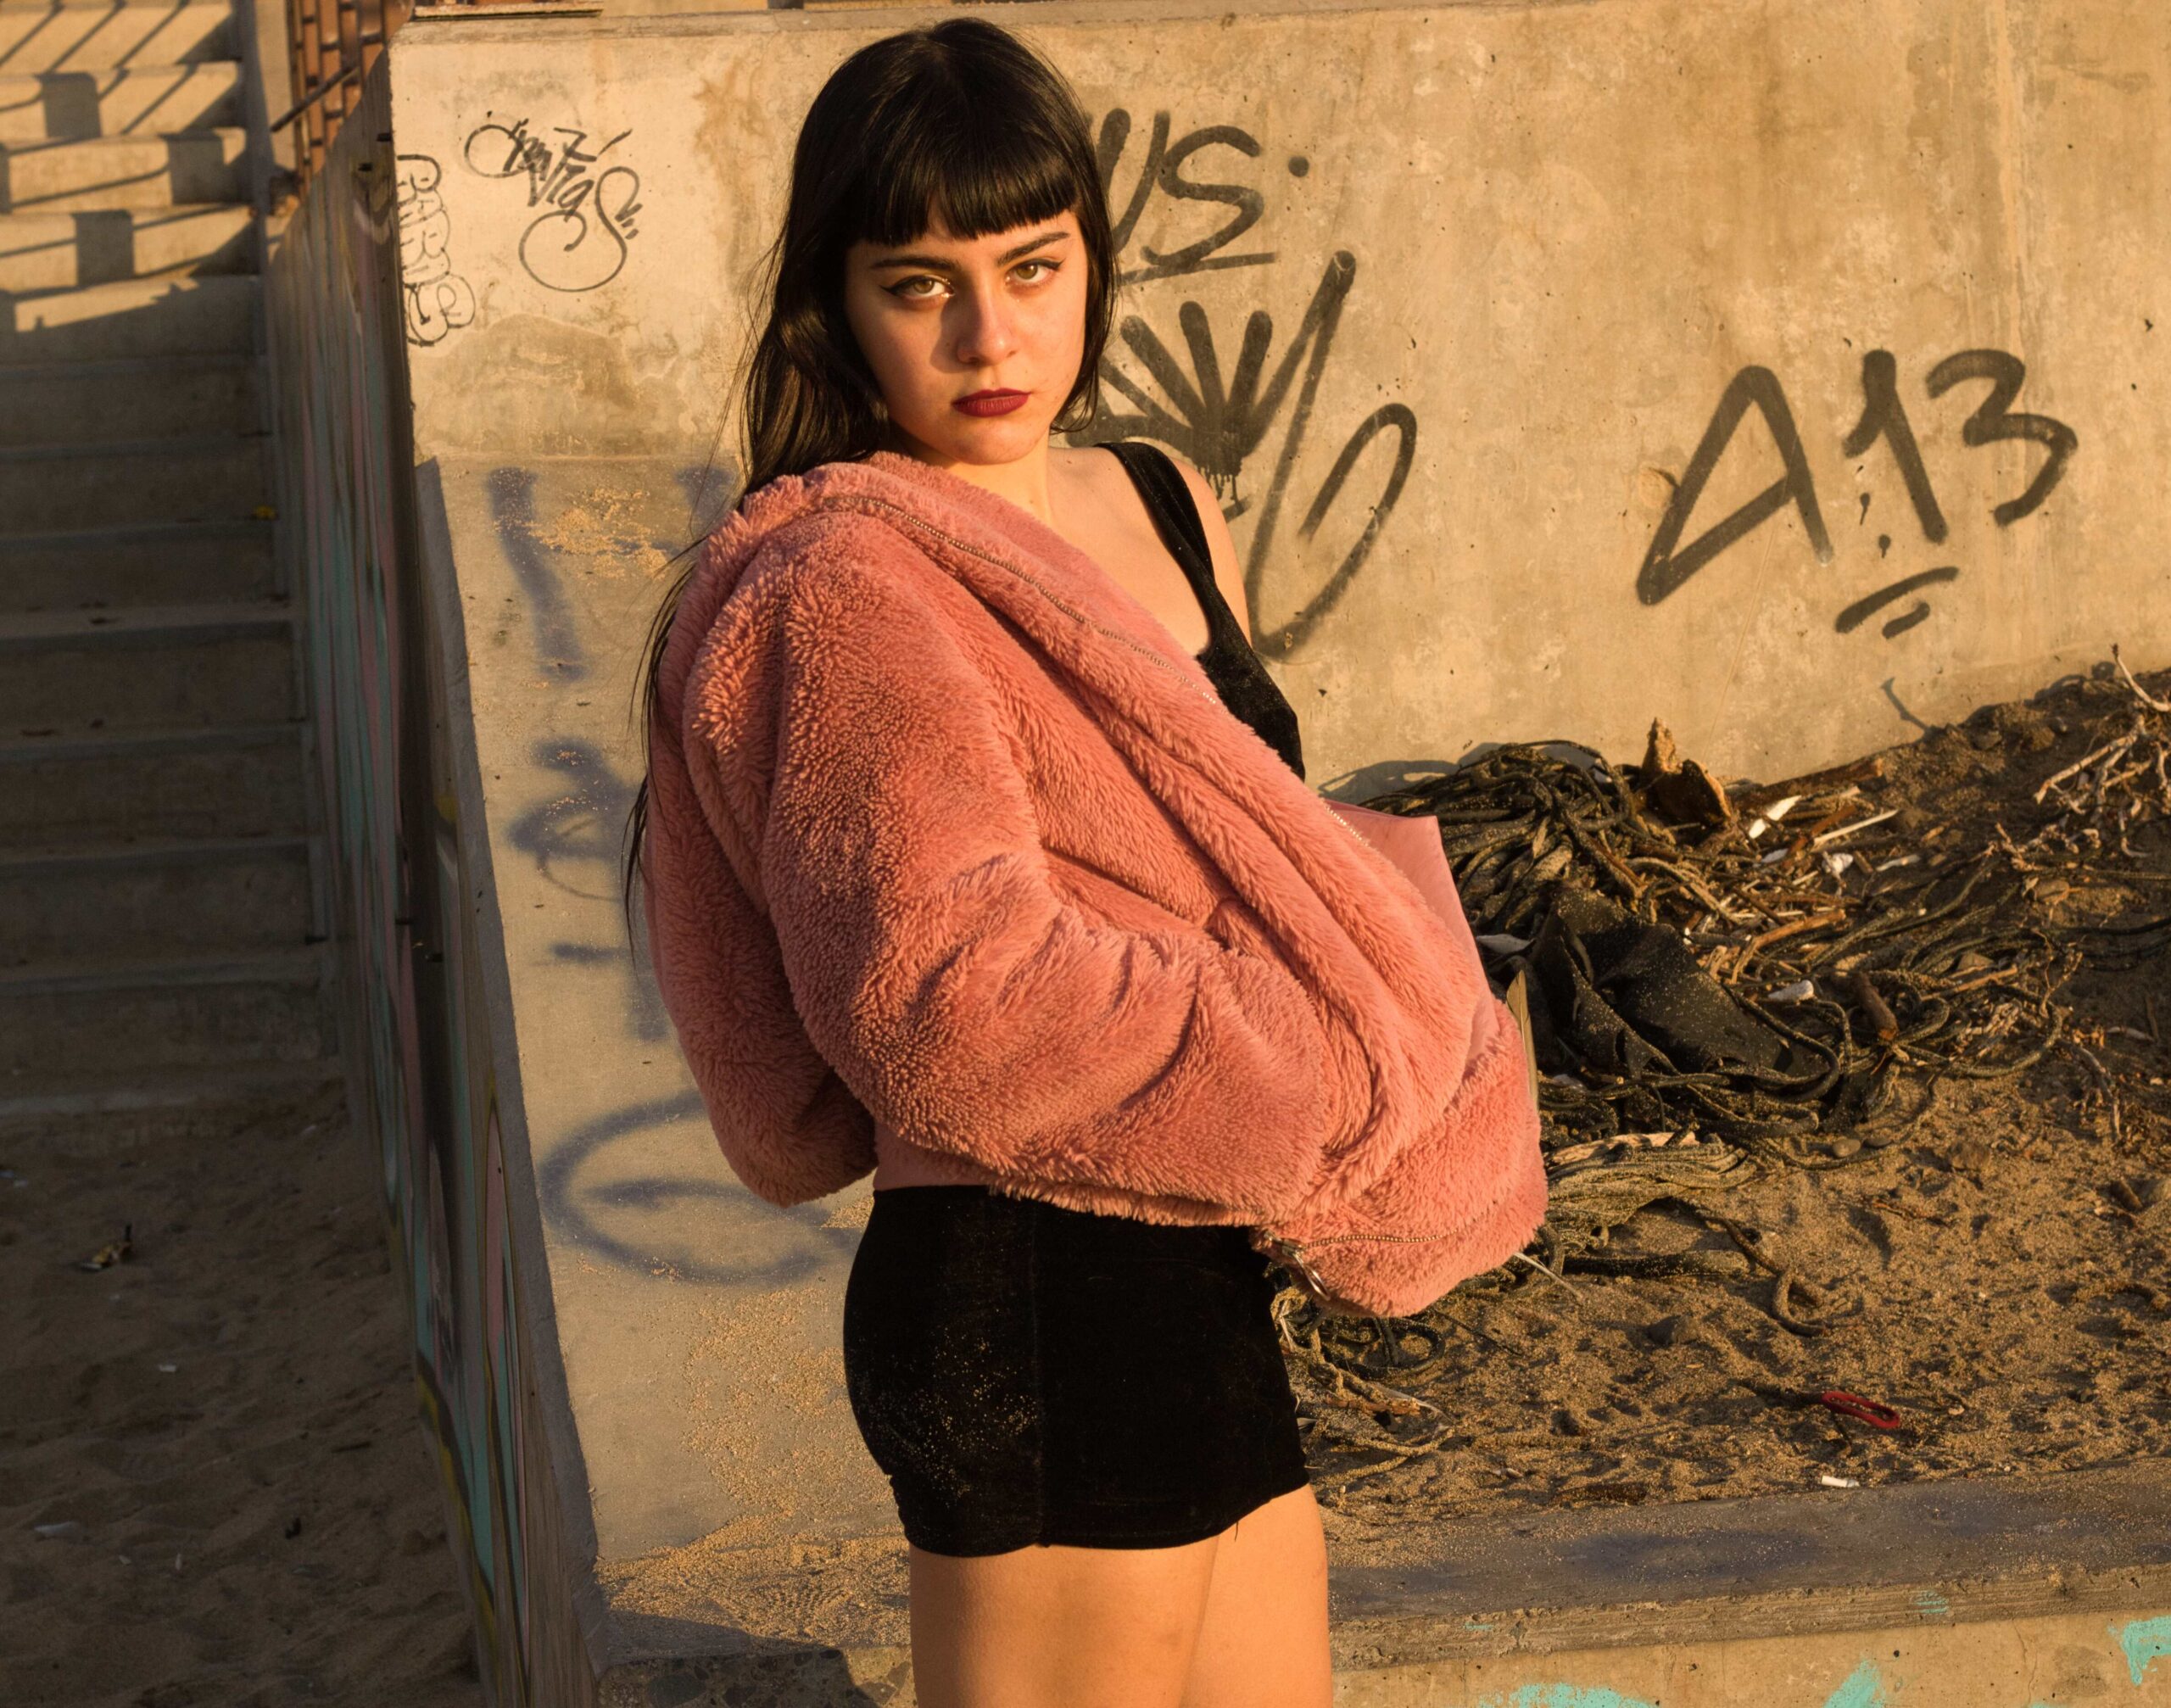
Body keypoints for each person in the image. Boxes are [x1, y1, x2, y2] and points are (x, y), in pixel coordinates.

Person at [626, 19, 1543, 1707]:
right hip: (1028, 1284)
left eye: (1033, 267)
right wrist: (1322, 1067)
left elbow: (1258, 843)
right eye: (921, 284)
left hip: (1198, 1264)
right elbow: (947, 1000)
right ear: (839, 304)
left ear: (1094, 261)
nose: (991, 336)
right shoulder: (850, 587)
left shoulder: (1166, 498)